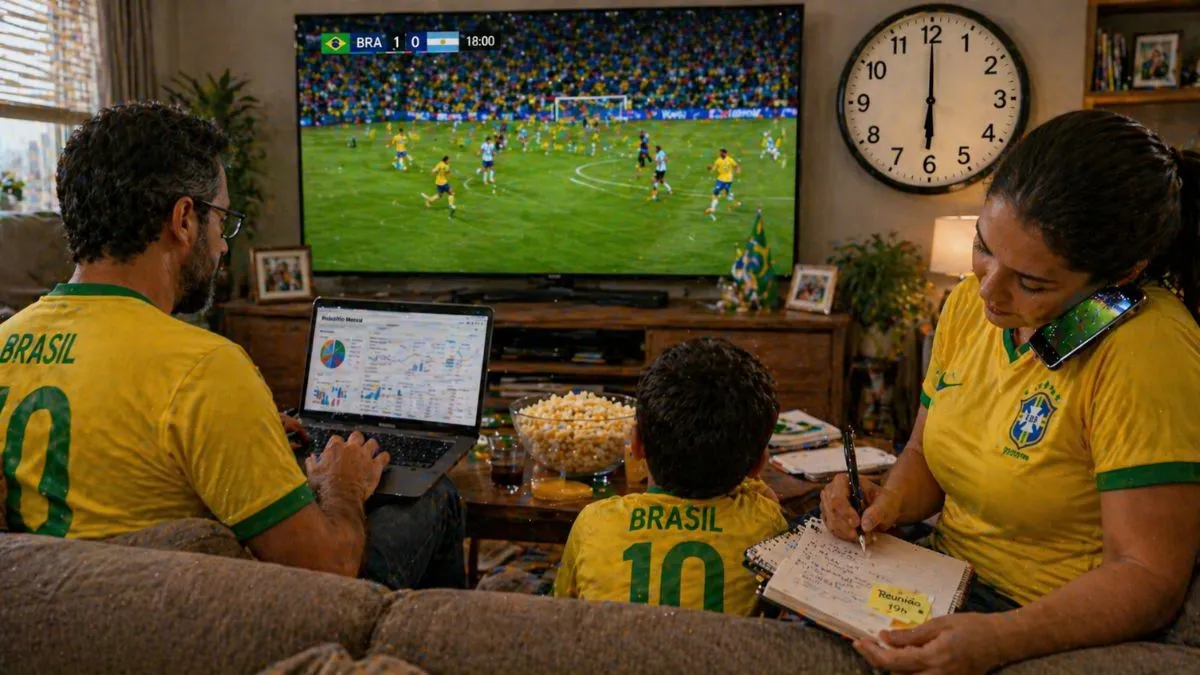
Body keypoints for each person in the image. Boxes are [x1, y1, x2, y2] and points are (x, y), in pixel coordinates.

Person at [0, 101, 465, 591]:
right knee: (434, 497)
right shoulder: (203, 367)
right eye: (222, 219)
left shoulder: (6, 340)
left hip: (58, 607)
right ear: (184, 220)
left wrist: (245, 427)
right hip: (196, 617)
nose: (223, 244)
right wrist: (342, 486)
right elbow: (327, 569)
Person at [820, 109, 1200, 673]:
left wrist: (998, 640)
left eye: (1031, 282)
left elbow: (1148, 577)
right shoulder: (966, 306)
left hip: (1044, 625)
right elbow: (923, 452)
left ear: (1121, 275)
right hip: (942, 581)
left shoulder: (1148, 350)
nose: (989, 292)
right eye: (984, 247)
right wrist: (886, 501)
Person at [554, 337, 788, 616]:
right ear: (758, 464)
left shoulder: (592, 523)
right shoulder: (766, 524)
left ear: (636, 443)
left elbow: (563, 611)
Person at [705, 148, 741, 221]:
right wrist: (710, 168)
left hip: (728, 180)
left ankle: (735, 202)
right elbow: (714, 169)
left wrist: (738, 170)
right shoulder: (718, 160)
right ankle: (712, 208)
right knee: (716, 192)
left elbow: (736, 165)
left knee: (725, 194)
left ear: (725, 153)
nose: (720, 154)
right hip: (720, 179)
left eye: (721, 153)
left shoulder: (730, 160)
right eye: (720, 153)